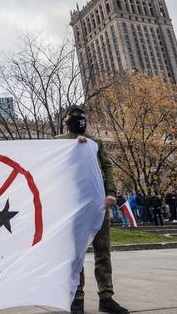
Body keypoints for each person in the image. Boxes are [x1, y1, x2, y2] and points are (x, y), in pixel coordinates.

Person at [55, 105, 129, 314]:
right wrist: (74, 146)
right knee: (76, 252)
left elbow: (106, 167)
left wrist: (111, 192)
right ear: (66, 120)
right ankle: (77, 297)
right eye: (74, 116)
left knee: (102, 251)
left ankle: (106, 297)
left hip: (98, 203)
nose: (79, 119)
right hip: (74, 204)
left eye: (82, 116)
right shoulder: (58, 141)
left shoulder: (95, 141)